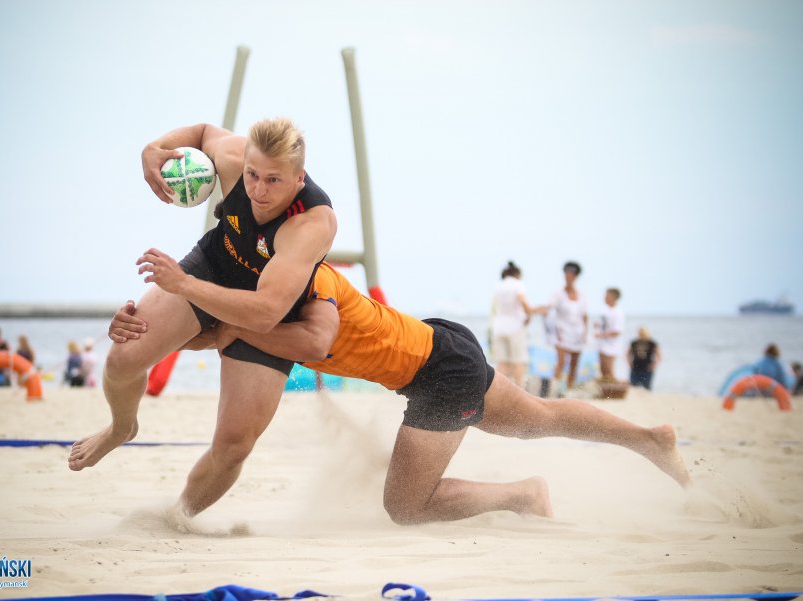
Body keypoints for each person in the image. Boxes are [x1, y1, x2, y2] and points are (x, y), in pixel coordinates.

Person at [108, 263, 691, 525]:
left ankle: (523, 495)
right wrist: (139, 331)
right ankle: (649, 438)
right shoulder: (257, 289)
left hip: (438, 373)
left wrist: (237, 329)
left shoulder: (314, 282)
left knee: (406, 508)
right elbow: (203, 333)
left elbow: (316, 338)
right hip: (439, 343)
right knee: (536, 417)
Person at [68, 117, 337, 482]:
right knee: (122, 359)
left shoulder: (310, 224)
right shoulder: (231, 156)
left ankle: (180, 519)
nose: (259, 190)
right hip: (216, 264)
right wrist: (153, 148)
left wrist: (183, 286)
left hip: (269, 308)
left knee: (232, 448)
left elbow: (265, 314)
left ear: (298, 177)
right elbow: (203, 133)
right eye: (252, 175)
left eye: (274, 180)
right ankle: (121, 428)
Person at [490, 261, 540, 388]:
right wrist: (529, 313)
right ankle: (519, 391)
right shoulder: (518, 285)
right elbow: (522, 300)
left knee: (502, 363)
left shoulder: (499, 286)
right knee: (518, 361)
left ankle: (499, 391)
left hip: (499, 327)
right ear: (517, 274)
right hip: (515, 327)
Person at [547, 261, 588, 394]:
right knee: (561, 362)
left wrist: (585, 333)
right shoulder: (558, 293)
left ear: (575, 277)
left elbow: (584, 316)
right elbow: (548, 308)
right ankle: (554, 389)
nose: (568, 276)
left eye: (571, 274)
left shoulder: (582, 296)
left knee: (574, 364)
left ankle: (570, 389)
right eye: (566, 274)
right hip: (562, 332)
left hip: (577, 332)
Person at [595, 288, 625, 381]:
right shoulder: (606, 311)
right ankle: (605, 392)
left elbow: (617, 331)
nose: (604, 297)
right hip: (602, 344)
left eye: (607, 295)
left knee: (609, 369)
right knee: (603, 369)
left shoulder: (618, 312)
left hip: (612, 346)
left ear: (613, 297)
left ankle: (612, 392)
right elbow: (606, 325)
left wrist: (602, 335)